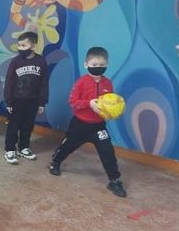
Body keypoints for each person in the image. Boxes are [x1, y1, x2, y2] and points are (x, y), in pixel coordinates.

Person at [49, 47, 127, 198]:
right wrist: (89, 103)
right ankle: (55, 163)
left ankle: (114, 180)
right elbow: (73, 102)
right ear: (86, 64)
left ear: (107, 64)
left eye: (101, 65)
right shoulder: (81, 82)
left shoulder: (108, 83)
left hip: (98, 126)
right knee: (67, 146)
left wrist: (113, 111)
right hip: (79, 124)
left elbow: (109, 104)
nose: (98, 67)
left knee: (108, 151)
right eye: (94, 64)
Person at [3, 31, 48, 164]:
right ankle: (10, 149)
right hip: (16, 100)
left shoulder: (41, 61)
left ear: (33, 46)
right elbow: (9, 82)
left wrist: (42, 102)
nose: (20, 48)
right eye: (19, 45)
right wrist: (9, 101)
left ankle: (24, 147)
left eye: (24, 45)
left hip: (33, 101)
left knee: (28, 125)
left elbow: (44, 82)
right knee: (13, 125)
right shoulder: (15, 61)